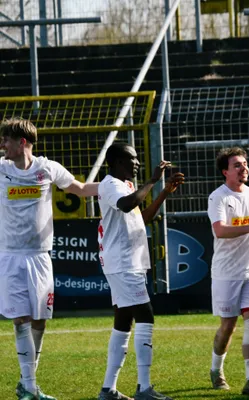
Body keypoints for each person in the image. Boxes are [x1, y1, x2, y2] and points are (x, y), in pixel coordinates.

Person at [0, 118, 100, 400]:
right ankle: (31, 388)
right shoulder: (1, 169)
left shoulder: (47, 168)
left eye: (6, 140)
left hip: (40, 257)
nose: (2, 145)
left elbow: (80, 189)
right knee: (21, 319)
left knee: (40, 321)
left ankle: (27, 383)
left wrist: (114, 187)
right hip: (10, 256)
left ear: (22, 142)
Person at [97, 142, 184, 400]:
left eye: (136, 158)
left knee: (123, 321)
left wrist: (164, 192)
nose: (136, 163)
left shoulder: (126, 186)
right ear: (117, 162)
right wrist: (153, 181)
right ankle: (144, 387)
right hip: (123, 263)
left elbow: (140, 217)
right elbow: (127, 205)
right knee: (145, 315)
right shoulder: (110, 184)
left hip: (128, 262)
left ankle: (108, 389)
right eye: (131, 159)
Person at [207, 147, 249, 396]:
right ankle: (216, 369)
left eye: (245, 164)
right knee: (228, 327)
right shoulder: (218, 197)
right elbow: (220, 230)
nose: (243, 168)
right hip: (227, 273)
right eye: (237, 165)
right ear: (225, 172)